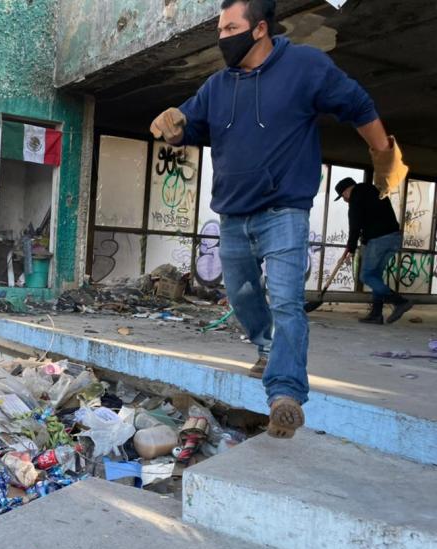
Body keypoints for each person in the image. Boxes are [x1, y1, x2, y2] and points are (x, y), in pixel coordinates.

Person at [150, 0, 407, 438]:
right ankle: (267, 347)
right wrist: (173, 126)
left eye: (230, 27)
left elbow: (356, 103)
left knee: (287, 301)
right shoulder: (217, 85)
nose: (222, 36)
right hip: (232, 215)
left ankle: (285, 396)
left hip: (284, 211)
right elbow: (189, 125)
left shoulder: (304, 66)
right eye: (220, 28)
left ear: (259, 29)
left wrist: (383, 153)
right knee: (243, 297)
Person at [335, 177, 411, 325]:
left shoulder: (356, 197)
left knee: (366, 276)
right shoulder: (373, 191)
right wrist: (362, 241)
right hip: (394, 238)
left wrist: (351, 247)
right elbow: (372, 218)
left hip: (379, 240)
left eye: (343, 197)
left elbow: (355, 224)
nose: (345, 200)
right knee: (376, 276)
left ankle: (400, 301)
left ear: (346, 191)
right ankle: (376, 314)